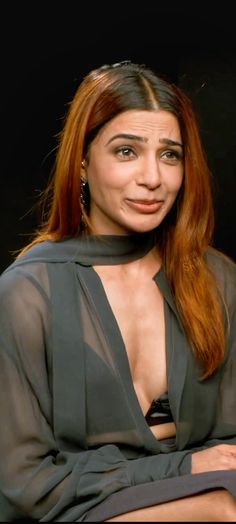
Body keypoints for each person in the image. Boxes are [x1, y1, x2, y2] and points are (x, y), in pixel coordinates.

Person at [1, 60, 236, 523]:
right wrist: (184, 465)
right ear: (83, 161)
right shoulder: (27, 293)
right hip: (84, 510)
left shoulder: (216, 277)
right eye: (126, 151)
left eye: (170, 155)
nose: (153, 177)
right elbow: (24, 485)